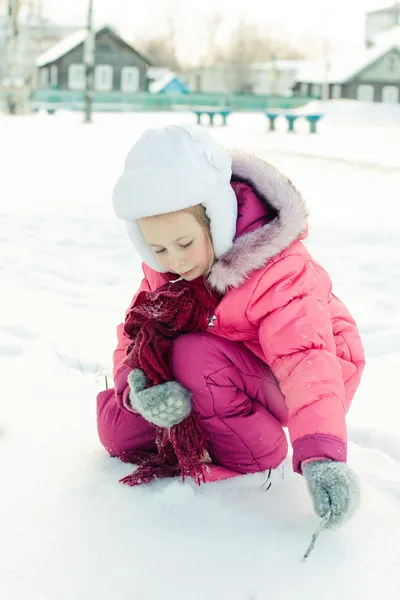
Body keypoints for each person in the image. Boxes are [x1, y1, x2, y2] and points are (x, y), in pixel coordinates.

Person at [97, 124, 365, 528]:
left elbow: (306, 359)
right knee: (119, 429)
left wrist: (322, 455)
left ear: (217, 220)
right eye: (158, 248)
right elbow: (135, 335)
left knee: (191, 353)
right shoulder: (168, 270)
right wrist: (137, 393)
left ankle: (254, 453)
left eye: (185, 244)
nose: (176, 260)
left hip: (306, 372)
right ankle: (203, 427)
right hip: (229, 368)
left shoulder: (277, 268)